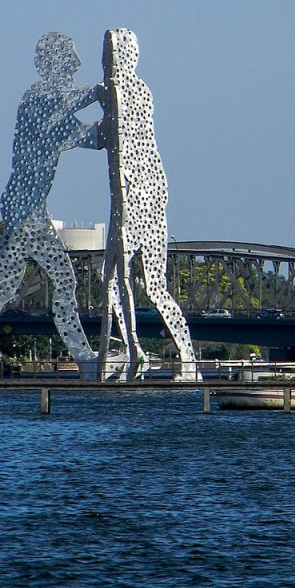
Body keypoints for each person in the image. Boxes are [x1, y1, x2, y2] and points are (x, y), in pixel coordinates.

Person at [0, 33, 101, 380]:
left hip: (29, 209)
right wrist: (102, 90)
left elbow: (91, 138)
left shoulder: (53, 109)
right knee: (63, 280)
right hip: (25, 210)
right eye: (71, 58)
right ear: (52, 63)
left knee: (6, 286)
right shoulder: (38, 99)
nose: (77, 64)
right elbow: (69, 105)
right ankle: (84, 359)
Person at [97, 28, 201, 382]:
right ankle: (135, 351)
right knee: (110, 278)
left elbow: (123, 146)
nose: (106, 63)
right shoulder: (123, 93)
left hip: (140, 198)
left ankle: (180, 359)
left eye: (110, 56)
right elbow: (103, 136)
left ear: (125, 57)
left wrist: (125, 216)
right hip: (130, 198)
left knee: (148, 285)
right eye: (105, 56)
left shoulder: (129, 92)